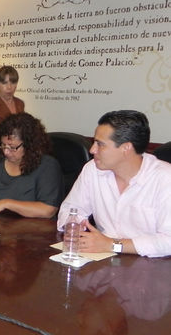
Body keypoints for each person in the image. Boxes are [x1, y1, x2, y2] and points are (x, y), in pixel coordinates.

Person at [57, 110, 171, 257]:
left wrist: (111, 244)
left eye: (100, 144)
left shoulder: (165, 178)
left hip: (152, 264)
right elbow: (72, 208)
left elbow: (168, 241)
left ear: (126, 148)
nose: (92, 150)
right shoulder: (93, 169)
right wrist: (75, 226)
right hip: (102, 258)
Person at [0, 113, 63, 218]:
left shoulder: (47, 166)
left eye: (12, 147)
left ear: (29, 144)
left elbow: (48, 210)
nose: (6, 152)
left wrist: (6, 203)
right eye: (3, 145)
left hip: (30, 225)